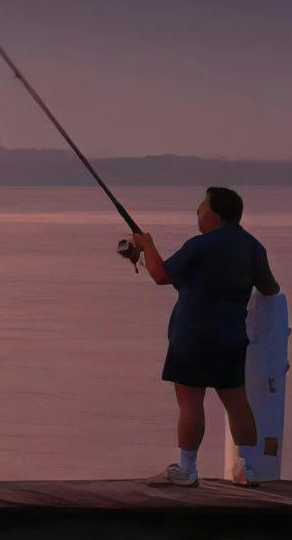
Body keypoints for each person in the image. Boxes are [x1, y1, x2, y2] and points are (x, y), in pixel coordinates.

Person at [117, 185, 279, 484]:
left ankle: (188, 469)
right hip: (230, 337)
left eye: (201, 211)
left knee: (191, 403)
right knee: (237, 402)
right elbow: (270, 288)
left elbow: (161, 275)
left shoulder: (199, 245)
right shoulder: (253, 248)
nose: (198, 216)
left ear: (215, 216)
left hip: (192, 336)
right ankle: (248, 468)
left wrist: (147, 245)